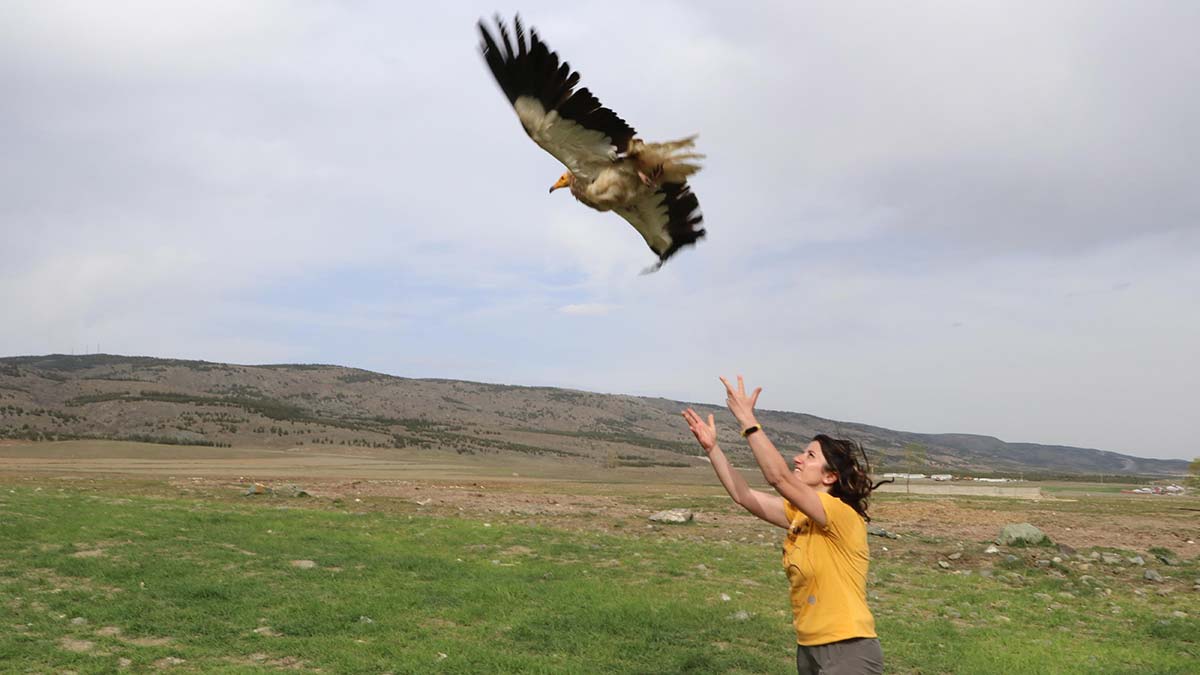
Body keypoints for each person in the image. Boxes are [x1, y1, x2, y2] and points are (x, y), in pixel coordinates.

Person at [682, 375, 888, 675]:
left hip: (849, 649)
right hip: (808, 648)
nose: (798, 458)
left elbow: (778, 478)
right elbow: (744, 496)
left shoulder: (841, 515)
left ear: (830, 476)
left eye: (810, 455)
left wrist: (747, 420)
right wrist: (713, 449)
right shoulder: (800, 516)